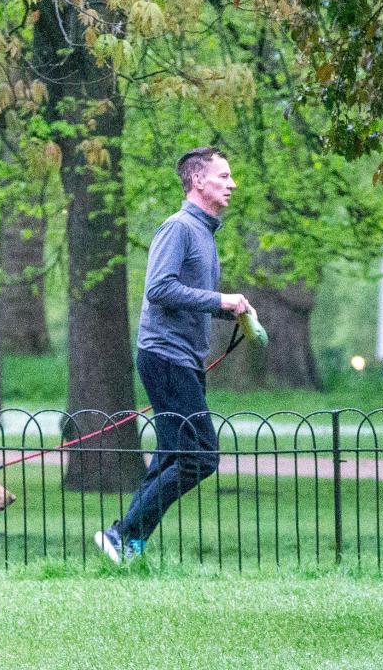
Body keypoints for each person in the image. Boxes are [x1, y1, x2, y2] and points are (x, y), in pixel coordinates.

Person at [94, 146, 255, 562]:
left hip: (184, 358)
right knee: (201, 456)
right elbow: (159, 289)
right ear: (198, 181)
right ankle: (123, 533)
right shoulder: (178, 227)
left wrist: (232, 313)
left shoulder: (204, 232)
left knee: (170, 457)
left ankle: (127, 541)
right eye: (224, 176)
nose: (232, 184)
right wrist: (221, 300)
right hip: (165, 357)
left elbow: (187, 298)